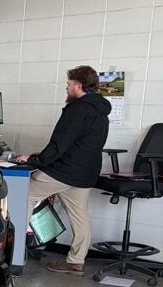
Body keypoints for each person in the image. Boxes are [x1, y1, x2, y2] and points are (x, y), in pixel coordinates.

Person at [15, 65, 111, 276]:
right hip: (85, 172)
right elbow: (79, 143)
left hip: (64, 171)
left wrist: (35, 160)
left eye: (68, 85)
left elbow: (60, 143)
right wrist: (40, 155)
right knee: (80, 215)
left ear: (78, 85)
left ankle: (13, 256)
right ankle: (76, 261)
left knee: (23, 196)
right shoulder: (100, 110)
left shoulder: (78, 109)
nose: (66, 88)